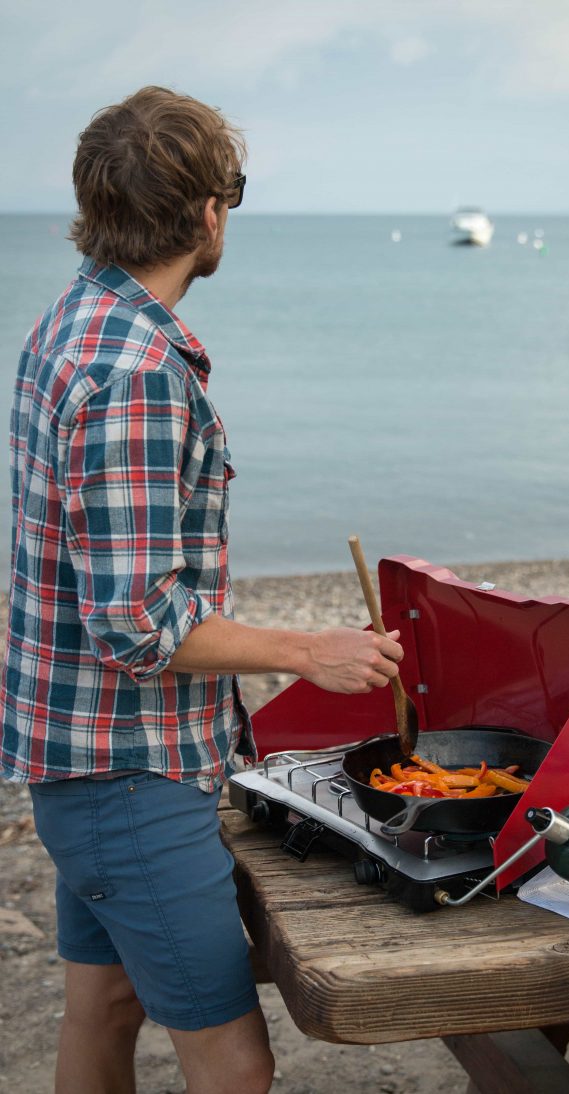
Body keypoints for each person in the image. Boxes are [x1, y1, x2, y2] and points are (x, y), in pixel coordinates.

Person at [0, 86, 403, 1094]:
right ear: (210, 212)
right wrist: (311, 652)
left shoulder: (74, 317)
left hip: (79, 757)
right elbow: (134, 618)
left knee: (105, 1003)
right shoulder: (135, 368)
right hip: (130, 773)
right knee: (233, 1062)